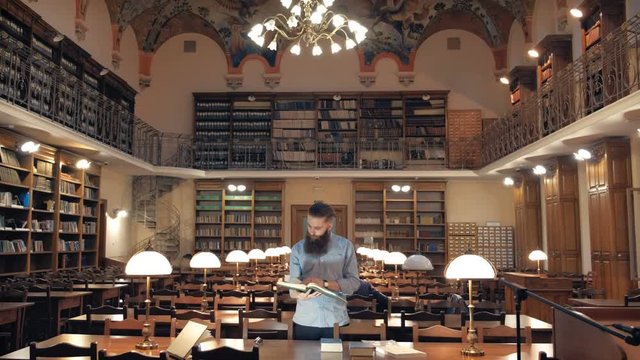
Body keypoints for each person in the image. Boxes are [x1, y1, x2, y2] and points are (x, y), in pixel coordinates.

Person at [289, 201, 360, 340]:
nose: (311, 231)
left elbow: (354, 283)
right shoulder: (297, 249)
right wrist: (297, 293)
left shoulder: (345, 246)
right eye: (309, 226)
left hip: (336, 319)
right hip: (305, 319)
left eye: (317, 228)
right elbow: (293, 283)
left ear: (329, 226)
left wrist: (325, 284)